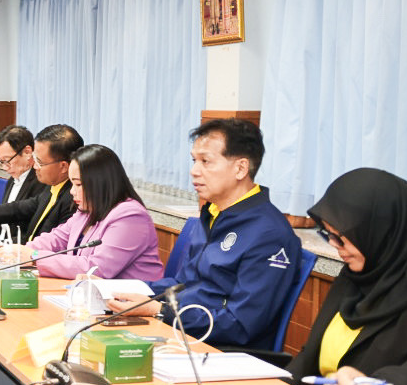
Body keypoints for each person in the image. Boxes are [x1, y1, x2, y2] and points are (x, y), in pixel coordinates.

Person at [110, 119, 301, 355]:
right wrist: (117, 289)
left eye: (206, 161)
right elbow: (183, 284)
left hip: (221, 351)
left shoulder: (269, 234)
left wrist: (160, 311)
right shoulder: (213, 213)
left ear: (240, 168)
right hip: (181, 332)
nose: (194, 171)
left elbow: (241, 325)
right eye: (194, 161)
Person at [287, 168, 407, 381]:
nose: (335, 246)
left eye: (340, 237)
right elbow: (309, 356)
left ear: (380, 231)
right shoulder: (362, 270)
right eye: (328, 235)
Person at [25, 144, 161, 280]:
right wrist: (22, 251)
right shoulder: (87, 209)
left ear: (100, 183)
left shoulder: (130, 216)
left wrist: (34, 256)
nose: (72, 191)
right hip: (88, 290)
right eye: (72, 184)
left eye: (78, 184)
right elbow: (57, 238)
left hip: (128, 293)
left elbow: (96, 268)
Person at [0, 123, 83, 243]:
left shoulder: (74, 199)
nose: (35, 165)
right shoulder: (52, 188)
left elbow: (54, 245)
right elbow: (19, 208)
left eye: (39, 162)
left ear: (63, 167)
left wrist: (5, 246)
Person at [0, 124, 46, 207]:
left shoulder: (42, 182)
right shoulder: (11, 180)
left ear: (27, 152)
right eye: (1, 161)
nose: (4, 167)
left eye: (7, 160)